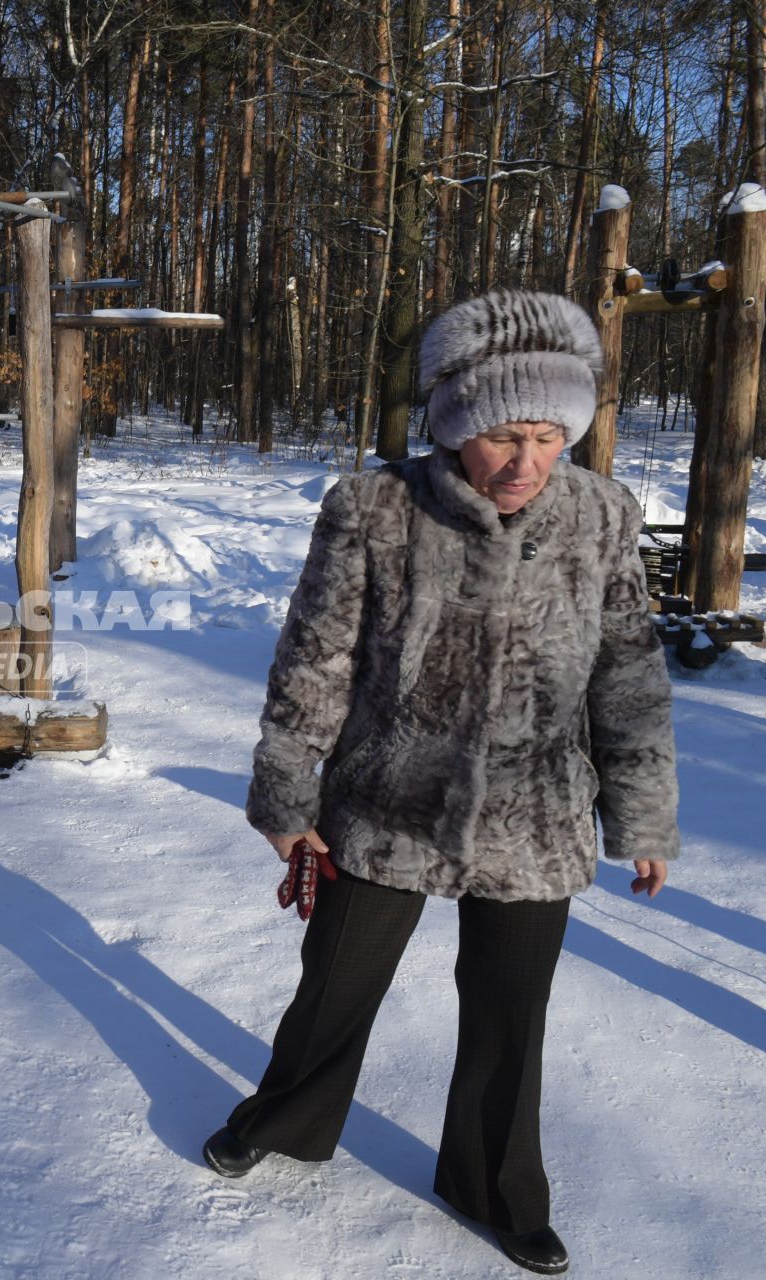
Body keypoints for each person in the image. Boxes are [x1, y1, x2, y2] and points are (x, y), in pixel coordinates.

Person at [203, 290, 680, 1276]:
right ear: (457, 425)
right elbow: (316, 660)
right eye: (506, 434)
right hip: (386, 792)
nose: (528, 461)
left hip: (537, 807)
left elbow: (627, 670)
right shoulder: (375, 508)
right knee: (336, 982)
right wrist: (289, 798)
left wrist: (642, 810)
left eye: (550, 435)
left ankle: (496, 1186)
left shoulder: (602, 515)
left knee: (512, 1011)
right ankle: (287, 1117)